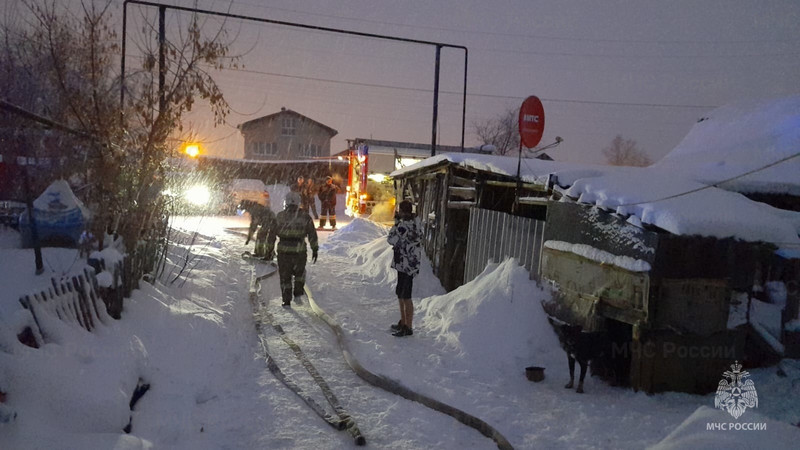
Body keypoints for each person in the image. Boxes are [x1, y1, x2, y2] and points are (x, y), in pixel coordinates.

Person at [268, 191, 319, 306]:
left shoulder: (280, 216)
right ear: (298, 202)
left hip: (283, 252)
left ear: (285, 202)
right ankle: (298, 294)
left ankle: (286, 300)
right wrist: (315, 249)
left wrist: (269, 249)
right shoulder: (305, 217)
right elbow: (312, 234)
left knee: (285, 276)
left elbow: (271, 234)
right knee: (299, 274)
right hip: (299, 251)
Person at [387, 200, 421, 337]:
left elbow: (391, 239)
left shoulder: (405, 226)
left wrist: (396, 224)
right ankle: (404, 321)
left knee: (405, 295)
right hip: (406, 264)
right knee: (401, 293)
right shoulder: (414, 223)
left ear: (402, 211)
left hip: (407, 264)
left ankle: (408, 326)